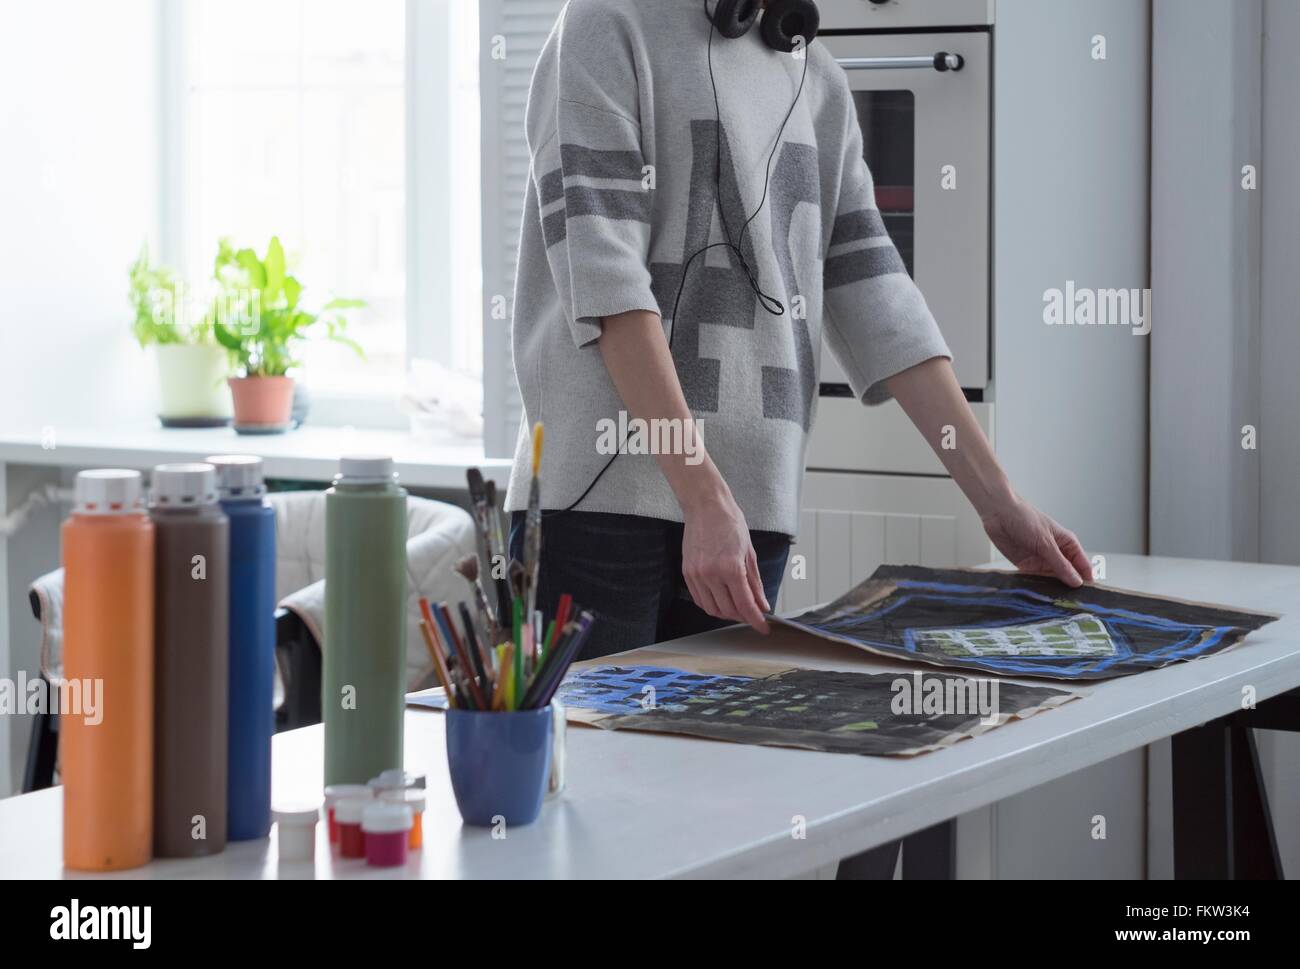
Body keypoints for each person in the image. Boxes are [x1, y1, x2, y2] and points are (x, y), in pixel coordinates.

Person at [506, 0, 1092, 660]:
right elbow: (606, 282)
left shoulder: (816, 78)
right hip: (601, 508)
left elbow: (878, 296)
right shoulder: (604, 25)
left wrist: (1001, 504)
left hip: (751, 514)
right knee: (586, 758)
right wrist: (704, 496)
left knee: (709, 760)